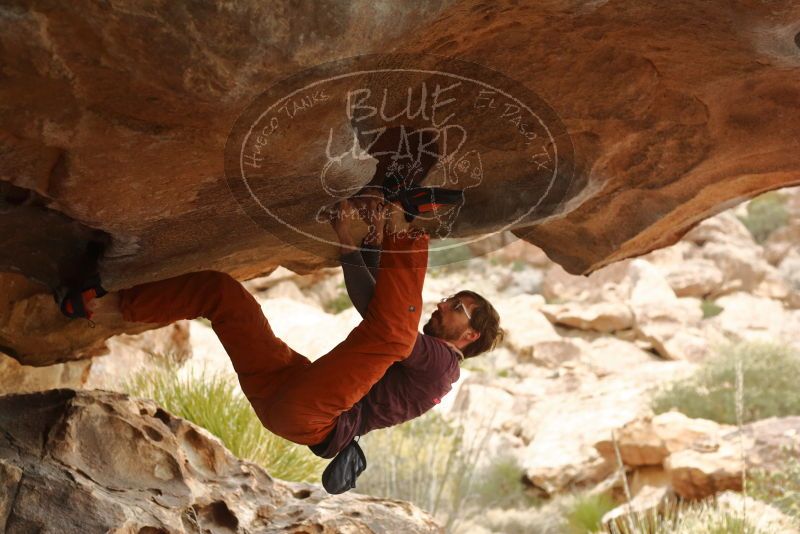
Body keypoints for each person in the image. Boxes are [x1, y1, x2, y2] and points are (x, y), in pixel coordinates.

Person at [71, 197, 503, 466]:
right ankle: (97, 304)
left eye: (458, 308)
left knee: (391, 334)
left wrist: (385, 229)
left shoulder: (443, 364)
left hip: (315, 417)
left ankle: (406, 221)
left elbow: (385, 322)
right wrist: (351, 237)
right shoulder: (414, 343)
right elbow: (379, 311)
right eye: (452, 298)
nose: (444, 304)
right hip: (288, 390)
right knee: (221, 294)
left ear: (469, 337)